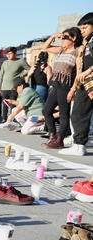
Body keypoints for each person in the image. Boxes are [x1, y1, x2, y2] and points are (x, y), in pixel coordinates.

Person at [41, 27, 83, 149]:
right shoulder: (60, 50)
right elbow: (45, 48)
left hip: (66, 86)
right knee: (46, 111)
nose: (62, 40)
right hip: (56, 85)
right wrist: (54, 36)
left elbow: (79, 72)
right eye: (62, 37)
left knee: (64, 114)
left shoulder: (77, 52)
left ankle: (60, 140)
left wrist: (73, 90)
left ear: (73, 38)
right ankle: (53, 137)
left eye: (65, 38)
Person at [59, 13, 93, 156]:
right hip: (83, 83)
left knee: (80, 113)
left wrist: (88, 71)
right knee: (78, 113)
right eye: (81, 28)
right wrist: (74, 87)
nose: (83, 30)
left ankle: (79, 145)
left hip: (89, 80)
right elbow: (80, 67)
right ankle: (78, 142)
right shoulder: (87, 43)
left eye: (85, 27)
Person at [0, 47, 30, 122]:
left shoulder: (21, 61)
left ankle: (12, 118)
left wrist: (21, 75)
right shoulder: (5, 63)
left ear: (15, 54)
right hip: (4, 87)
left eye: (10, 54)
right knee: (5, 104)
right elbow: (1, 75)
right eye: (7, 54)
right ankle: (4, 119)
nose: (8, 56)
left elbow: (29, 69)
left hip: (14, 87)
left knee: (12, 104)